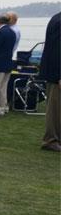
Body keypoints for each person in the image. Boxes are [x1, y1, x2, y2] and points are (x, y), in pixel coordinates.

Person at [40, 11, 60, 151]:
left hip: (54, 72)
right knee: (55, 110)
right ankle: (51, 140)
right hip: (56, 74)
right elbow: (58, 50)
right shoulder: (59, 21)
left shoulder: (56, 19)